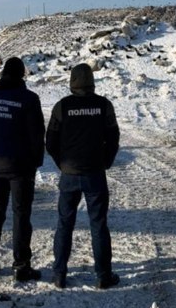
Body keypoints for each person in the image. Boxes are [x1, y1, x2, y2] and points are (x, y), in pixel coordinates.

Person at [46, 62, 120, 289]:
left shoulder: (62, 106)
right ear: (92, 81)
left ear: (72, 82)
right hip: (95, 173)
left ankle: (59, 274)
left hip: (69, 174)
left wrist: (62, 164)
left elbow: (50, 141)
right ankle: (103, 275)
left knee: (64, 224)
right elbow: (114, 137)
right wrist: (106, 161)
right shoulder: (103, 105)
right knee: (98, 225)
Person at [0, 56, 45, 281]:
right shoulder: (29, 99)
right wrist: (36, 161)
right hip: (21, 166)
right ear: (22, 74)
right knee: (21, 214)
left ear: (3, 72)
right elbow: (37, 134)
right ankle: (21, 265)